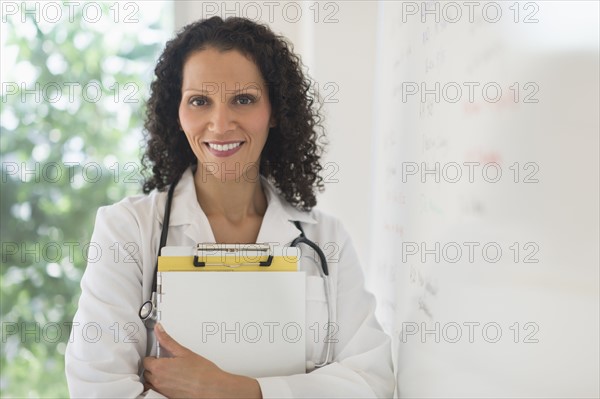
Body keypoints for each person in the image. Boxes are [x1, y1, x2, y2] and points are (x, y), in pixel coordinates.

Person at [65, 16, 395, 398]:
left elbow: (371, 382)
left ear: (274, 111)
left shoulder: (325, 237)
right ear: (178, 112)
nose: (220, 124)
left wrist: (234, 389)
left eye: (244, 99)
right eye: (199, 101)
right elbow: (99, 388)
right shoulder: (127, 229)